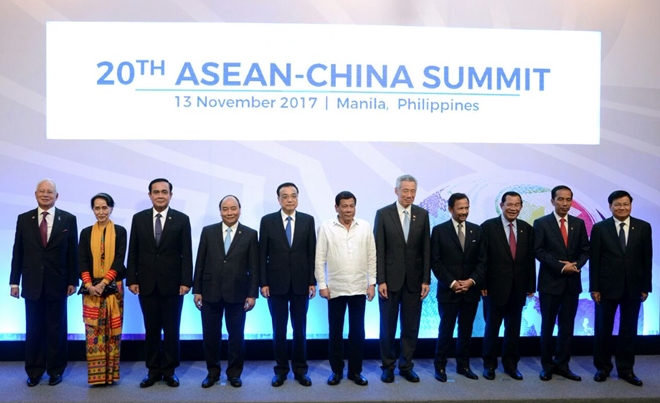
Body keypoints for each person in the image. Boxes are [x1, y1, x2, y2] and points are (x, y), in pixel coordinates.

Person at [10, 179, 78, 387]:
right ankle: (34, 370)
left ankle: (56, 370)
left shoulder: (68, 219)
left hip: (58, 283)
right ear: (35, 194)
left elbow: (72, 252)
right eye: (42, 191)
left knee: (56, 329)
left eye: (50, 192)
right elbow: (18, 251)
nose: (45, 194)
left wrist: (73, 280)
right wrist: (14, 282)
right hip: (32, 283)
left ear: (57, 196)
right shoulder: (24, 219)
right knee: (34, 328)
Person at [126, 178, 193, 388]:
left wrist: (186, 281)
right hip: (146, 283)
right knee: (151, 329)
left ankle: (170, 371)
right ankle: (153, 371)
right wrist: (132, 279)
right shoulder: (139, 219)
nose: (160, 195)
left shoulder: (182, 219)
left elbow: (186, 253)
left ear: (171, 195)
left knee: (172, 330)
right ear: (150, 195)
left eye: (164, 192)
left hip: (173, 285)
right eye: (156, 192)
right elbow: (133, 250)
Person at [193, 195, 259, 388]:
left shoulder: (250, 234)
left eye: (233, 208)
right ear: (220, 211)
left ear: (240, 209)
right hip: (210, 291)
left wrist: (252, 294)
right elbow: (200, 261)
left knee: (236, 336)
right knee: (210, 336)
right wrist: (197, 290)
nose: (229, 212)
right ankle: (212, 373)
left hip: (238, 293)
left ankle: (234, 374)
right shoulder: (208, 231)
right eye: (225, 209)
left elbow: (254, 267)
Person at [590, 190, 652, 386]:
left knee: (629, 330)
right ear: (610, 206)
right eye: (617, 204)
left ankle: (626, 369)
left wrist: (646, 287)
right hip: (606, 287)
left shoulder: (643, 227)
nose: (622, 207)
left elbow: (647, 259)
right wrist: (594, 288)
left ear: (630, 205)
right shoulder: (600, 228)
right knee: (603, 329)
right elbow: (595, 260)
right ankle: (602, 367)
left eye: (625, 204)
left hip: (633, 287)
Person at [315, 191, 376, 386]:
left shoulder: (365, 226)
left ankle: (355, 372)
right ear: (336, 208)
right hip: (335, 288)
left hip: (359, 287)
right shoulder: (326, 227)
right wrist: (322, 285)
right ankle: (336, 371)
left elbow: (371, 256)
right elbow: (319, 258)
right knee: (335, 332)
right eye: (344, 206)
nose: (348, 210)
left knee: (357, 332)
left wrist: (372, 283)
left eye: (351, 206)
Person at [374, 174, 430, 383]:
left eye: (413, 191)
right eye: (405, 190)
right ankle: (388, 366)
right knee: (387, 326)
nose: (409, 195)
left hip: (414, 281)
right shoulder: (383, 214)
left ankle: (406, 366)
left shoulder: (422, 215)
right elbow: (379, 249)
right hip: (389, 281)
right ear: (396, 191)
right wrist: (380, 280)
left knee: (411, 327)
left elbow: (426, 249)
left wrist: (426, 280)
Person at [259, 182, 316, 387]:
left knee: (300, 330)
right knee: (279, 329)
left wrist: (312, 281)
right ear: (279, 199)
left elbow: (311, 253)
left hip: (301, 284)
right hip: (276, 285)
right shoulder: (268, 221)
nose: (290, 199)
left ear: (298, 198)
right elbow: (262, 254)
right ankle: (281, 370)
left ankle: (300, 370)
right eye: (285, 196)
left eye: (293, 195)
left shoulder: (308, 220)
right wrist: (263, 282)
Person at [534, 185, 589, 381]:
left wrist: (575, 265)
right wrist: (561, 266)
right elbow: (539, 251)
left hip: (571, 284)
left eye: (568, 199)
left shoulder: (578, 223)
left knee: (567, 328)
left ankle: (563, 365)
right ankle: (547, 366)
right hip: (550, 283)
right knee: (547, 327)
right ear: (552, 201)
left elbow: (585, 250)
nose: (565, 203)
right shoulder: (541, 223)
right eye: (560, 199)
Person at [480, 191, 536, 381]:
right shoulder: (488, 227)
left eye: (516, 205)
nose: (513, 208)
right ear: (501, 206)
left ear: (521, 206)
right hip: (493, 288)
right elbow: (482, 259)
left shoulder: (527, 229)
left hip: (518, 288)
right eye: (509, 204)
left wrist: (531, 285)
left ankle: (511, 365)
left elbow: (529, 260)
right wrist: (482, 283)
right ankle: (489, 365)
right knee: (492, 329)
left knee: (513, 329)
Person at [431, 193, 485, 382]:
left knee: (466, 330)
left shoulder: (477, 230)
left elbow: (482, 261)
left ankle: (463, 365)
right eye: (460, 208)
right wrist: (453, 283)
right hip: (448, 291)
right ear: (450, 209)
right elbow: (436, 262)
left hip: (470, 291)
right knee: (445, 330)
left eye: (466, 208)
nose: (464, 212)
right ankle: (440, 366)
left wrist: (471, 281)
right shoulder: (439, 231)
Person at [78, 193, 126, 385]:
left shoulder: (120, 231)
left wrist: (104, 283)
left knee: (113, 332)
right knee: (94, 332)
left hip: (114, 288)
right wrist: (89, 285)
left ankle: (111, 375)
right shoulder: (85, 233)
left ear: (111, 208)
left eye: (104, 207)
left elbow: (119, 260)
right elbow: (82, 260)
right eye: (97, 208)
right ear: (92, 210)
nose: (101, 212)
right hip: (91, 289)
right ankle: (97, 377)